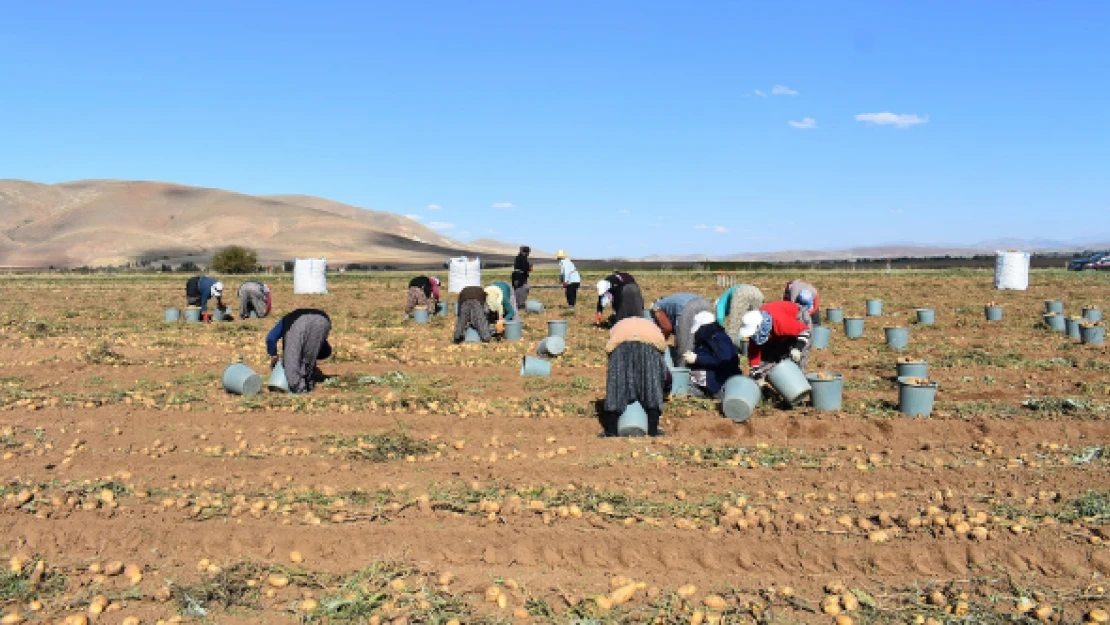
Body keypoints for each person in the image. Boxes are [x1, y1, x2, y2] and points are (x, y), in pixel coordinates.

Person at [600, 317, 670, 437]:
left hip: (620, 346)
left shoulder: (619, 325)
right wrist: (665, 389)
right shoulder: (653, 328)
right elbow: (665, 374)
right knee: (650, 385)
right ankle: (652, 430)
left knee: (617, 385)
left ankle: (611, 430)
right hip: (649, 348)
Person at [737, 300, 813, 381]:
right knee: (766, 359)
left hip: (798, 318)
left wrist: (798, 348)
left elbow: (805, 331)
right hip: (777, 329)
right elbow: (754, 353)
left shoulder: (780, 322)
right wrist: (756, 372)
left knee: (798, 356)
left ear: (760, 327)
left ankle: (798, 383)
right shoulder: (755, 333)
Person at [266, 309, 332, 394]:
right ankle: (308, 385)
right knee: (308, 357)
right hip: (324, 320)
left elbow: (271, 338)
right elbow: (324, 350)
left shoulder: (286, 320)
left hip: (298, 322)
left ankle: (299, 390)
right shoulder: (290, 318)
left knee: (291, 360)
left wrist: (274, 355)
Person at [682, 311, 741, 398]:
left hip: (721, 381)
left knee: (685, 383)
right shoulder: (709, 338)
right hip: (713, 377)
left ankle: (708, 392)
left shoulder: (718, 339)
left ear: (703, 327)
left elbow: (723, 361)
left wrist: (697, 359)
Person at [650, 293, 712, 363]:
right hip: (705, 303)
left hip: (688, 307)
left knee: (684, 351)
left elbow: (667, 327)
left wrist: (660, 342)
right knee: (704, 341)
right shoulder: (670, 301)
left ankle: (682, 371)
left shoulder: (656, 308)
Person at [511, 246, 533, 311]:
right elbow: (525, 268)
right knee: (522, 290)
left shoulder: (518, 258)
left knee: (519, 290)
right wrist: (529, 268)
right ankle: (520, 305)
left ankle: (518, 304)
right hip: (520, 278)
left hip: (517, 277)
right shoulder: (522, 259)